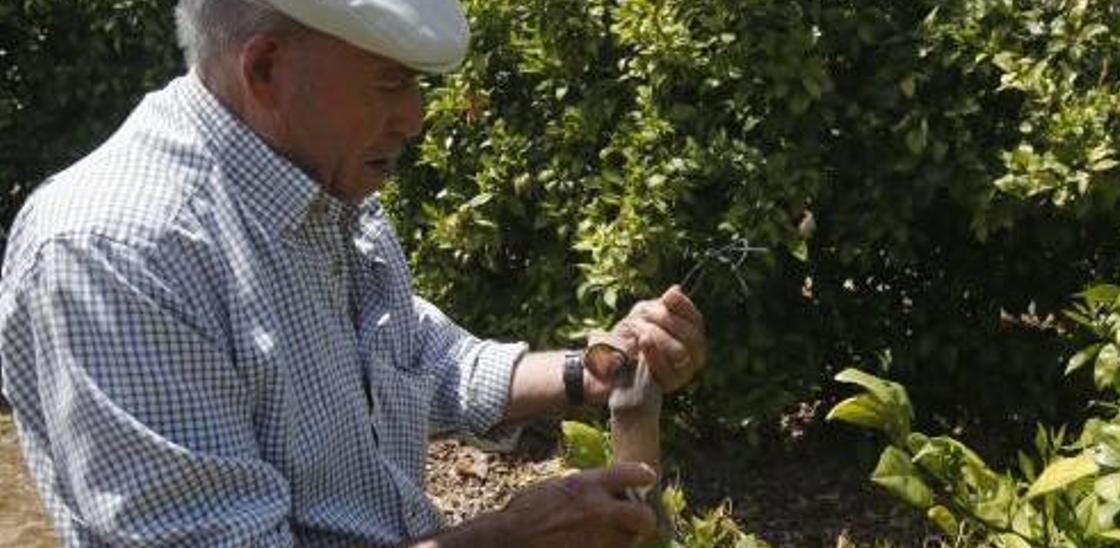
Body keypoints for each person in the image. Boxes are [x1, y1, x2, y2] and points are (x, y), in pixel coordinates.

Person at [0, 0, 707, 546]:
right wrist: (505, 536)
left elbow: (412, 359)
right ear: (266, 69)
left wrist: (592, 370)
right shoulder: (120, 257)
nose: (415, 118)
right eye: (391, 82)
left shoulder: (316, 183)